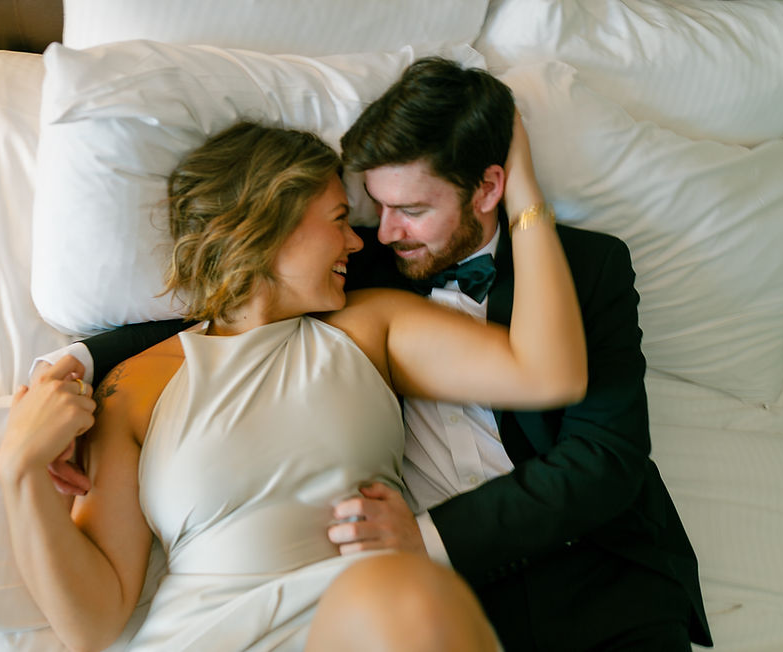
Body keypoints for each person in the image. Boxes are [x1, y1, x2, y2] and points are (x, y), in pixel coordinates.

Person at [40, 57, 715, 651]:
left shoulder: (589, 268)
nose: (378, 234)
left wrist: (527, 199)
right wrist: (78, 363)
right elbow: (235, 307)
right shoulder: (362, 274)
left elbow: (604, 463)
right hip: (461, 598)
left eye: (412, 209)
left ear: (486, 189)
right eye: (365, 211)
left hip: (598, 581)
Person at [1, 120, 585, 650]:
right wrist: (20, 471)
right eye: (338, 219)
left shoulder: (372, 328)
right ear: (269, 221)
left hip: (378, 626)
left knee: (417, 600)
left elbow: (547, 371)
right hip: (207, 637)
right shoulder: (135, 386)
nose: (358, 242)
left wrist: (524, 197)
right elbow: (93, 622)